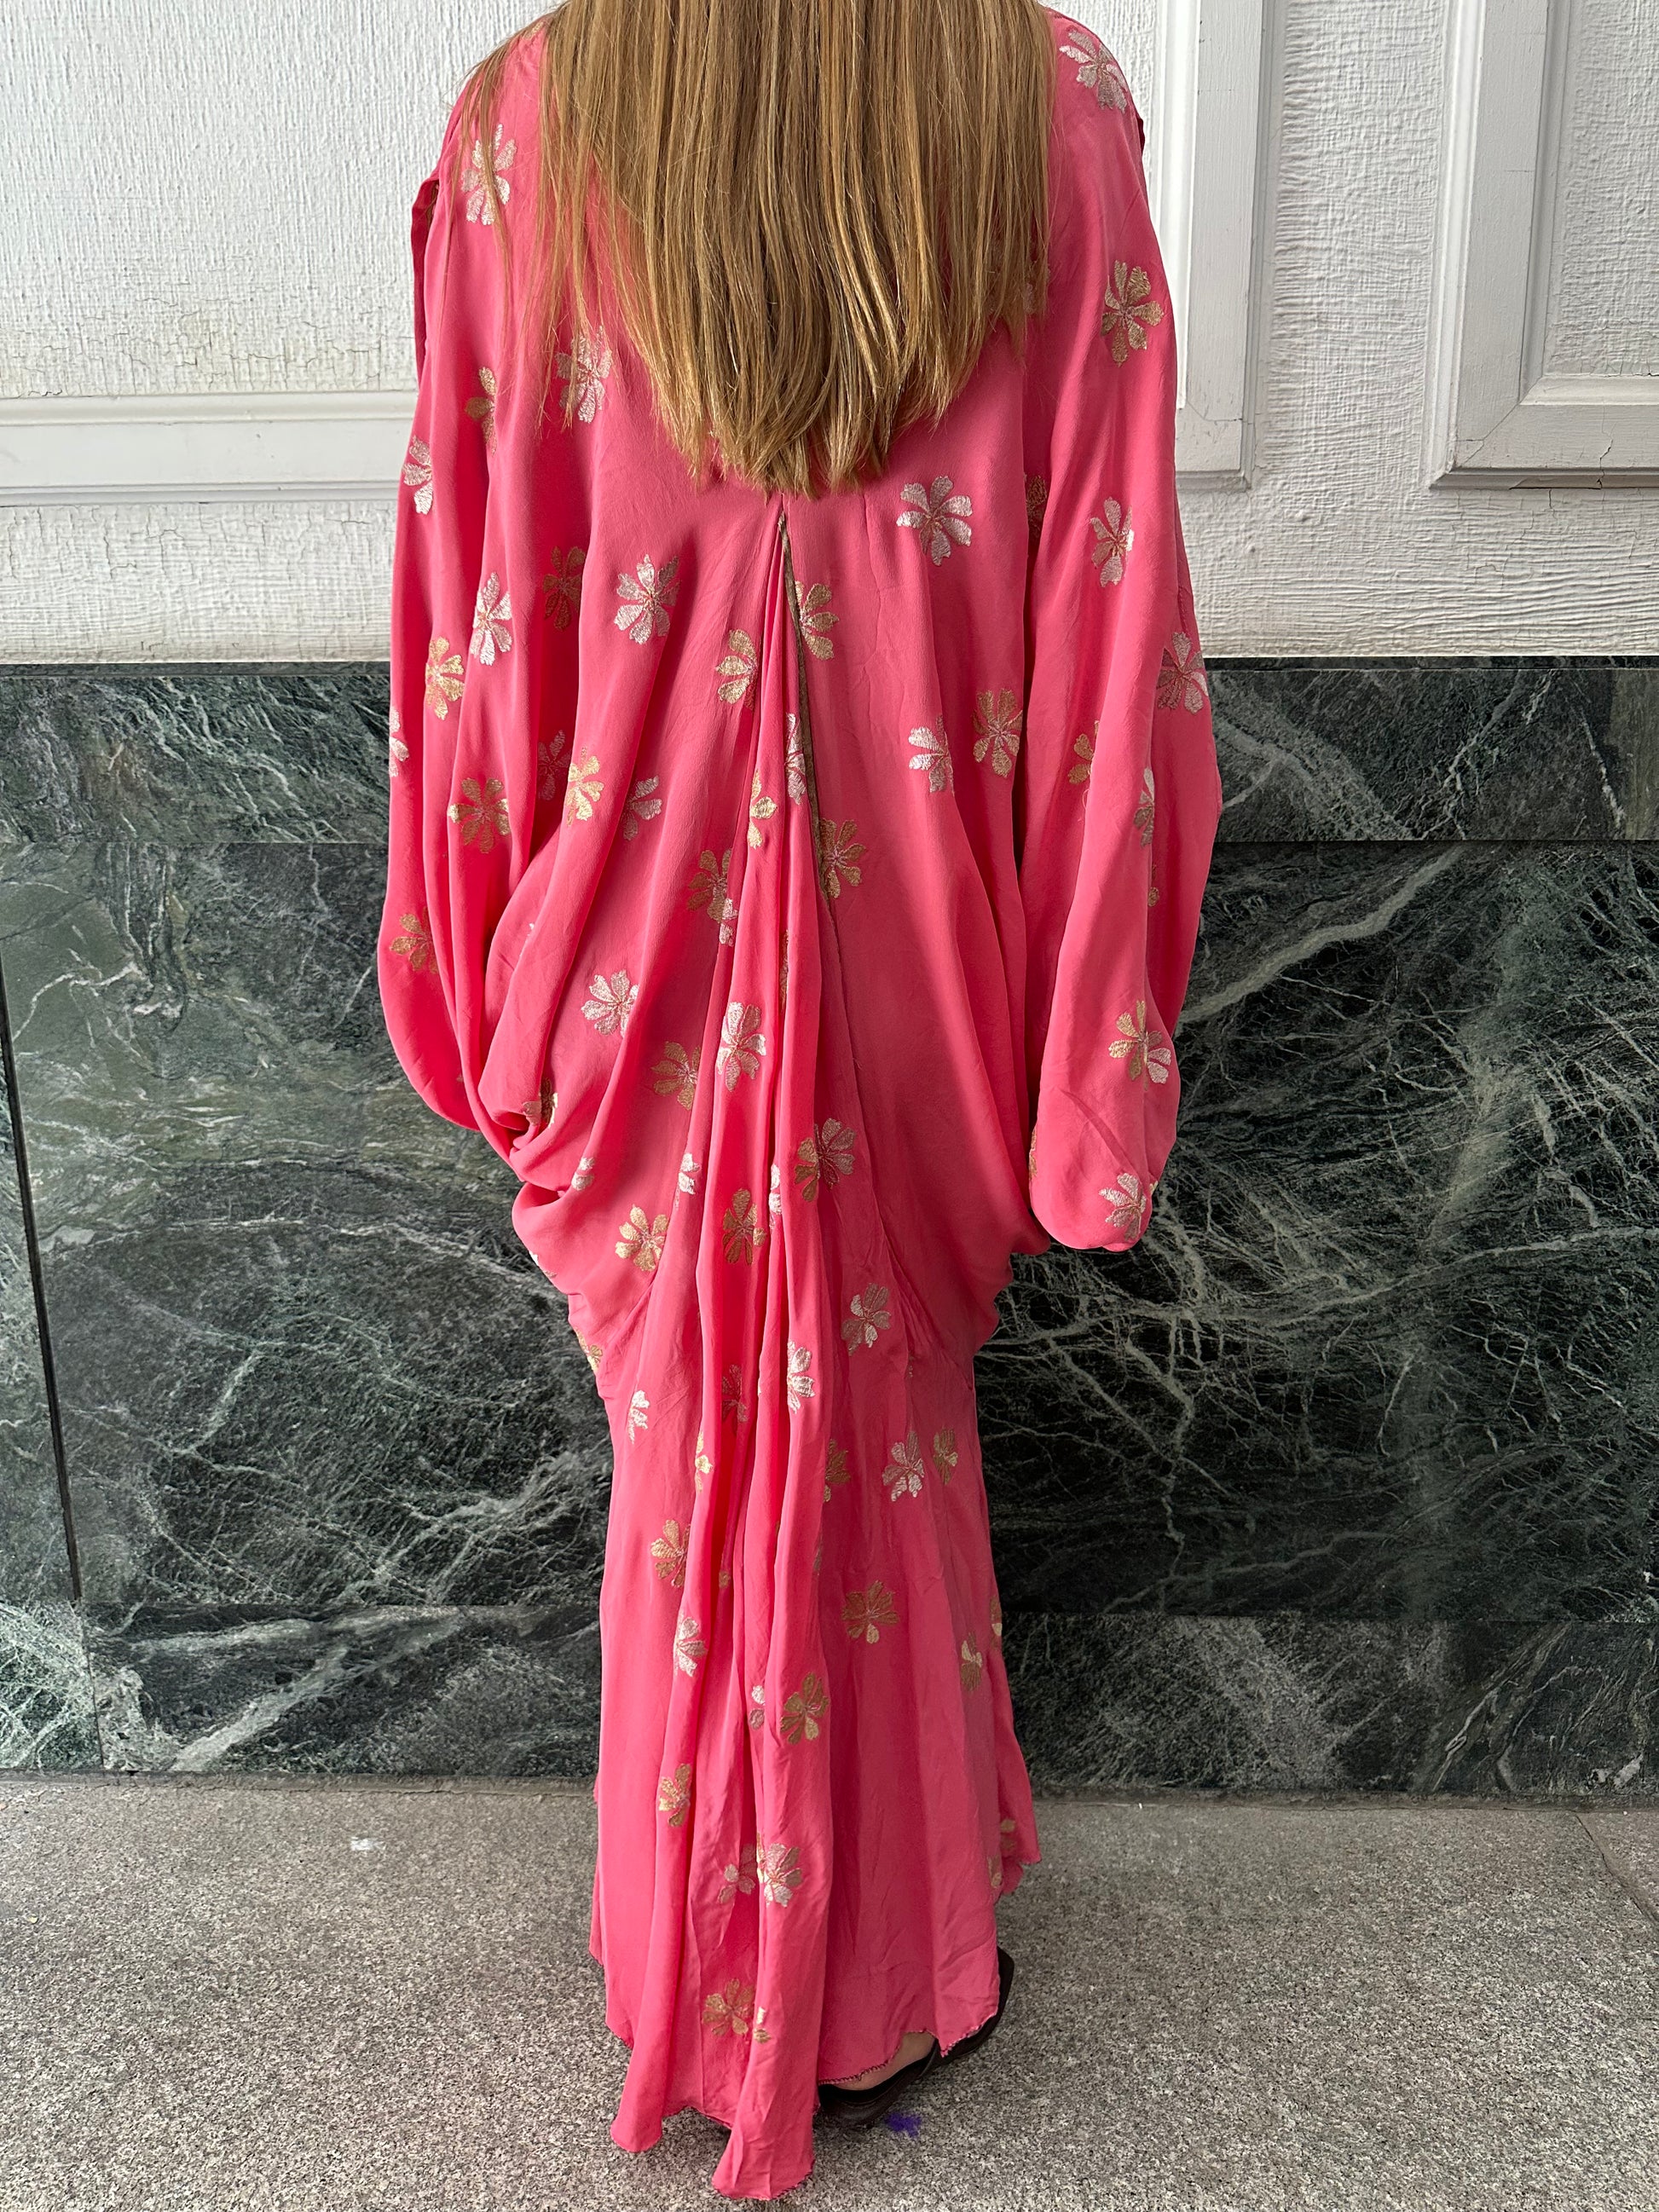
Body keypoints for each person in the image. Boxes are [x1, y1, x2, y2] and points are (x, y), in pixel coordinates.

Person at [378, 1, 1222, 2197]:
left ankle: (709, 1940)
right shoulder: (1050, 108)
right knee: (875, 1432)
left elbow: (473, 608)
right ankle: (894, 1955)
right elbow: (1114, 607)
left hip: (625, 915)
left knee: (708, 1449)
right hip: (937, 910)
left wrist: (468, 965)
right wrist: (1091, 1047)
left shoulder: (525, 125)